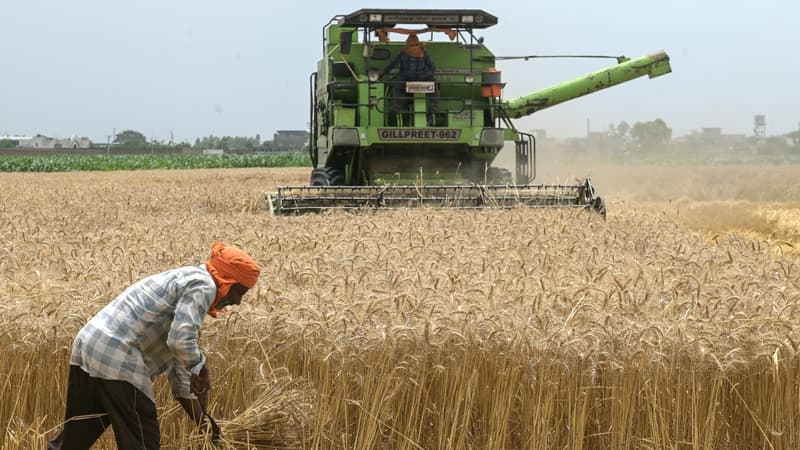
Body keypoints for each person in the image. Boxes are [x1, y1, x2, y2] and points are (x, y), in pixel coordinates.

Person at [47, 242, 261, 450]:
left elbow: (180, 365)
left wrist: (203, 423)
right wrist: (202, 367)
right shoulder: (204, 286)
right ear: (226, 280)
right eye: (239, 292)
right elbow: (180, 342)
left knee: (76, 437)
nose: (237, 301)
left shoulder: (188, 281)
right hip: (118, 356)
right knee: (143, 441)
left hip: (89, 345)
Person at [378, 34, 439, 121]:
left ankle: (396, 107)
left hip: (410, 78)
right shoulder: (421, 53)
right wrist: (425, 75)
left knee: (398, 84)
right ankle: (434, 106)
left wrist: (383, 72)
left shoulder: (406, 53)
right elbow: (432, 68)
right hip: (414, 78)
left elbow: (392, 64)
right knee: (398, 83)